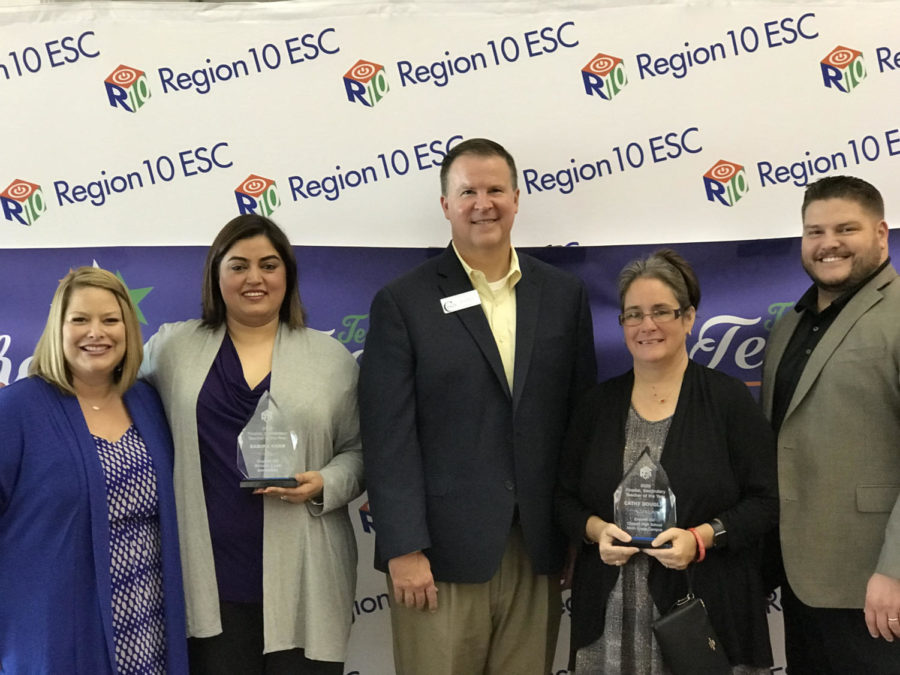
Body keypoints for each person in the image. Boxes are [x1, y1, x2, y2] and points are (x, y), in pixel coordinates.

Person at [358, 137, 597, 675]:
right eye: (468, 191)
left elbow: (579, 425)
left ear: (517, 197)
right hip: (438, 555)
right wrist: (403, 546)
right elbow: (387, 433)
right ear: (445, 205)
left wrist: (576, 532)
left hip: (538, 549)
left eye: (495, 190)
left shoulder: (563, 296)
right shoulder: (403, 302)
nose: (482, 203)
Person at [139, 214, 363, 674]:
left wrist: (324, 481)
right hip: (210, 583)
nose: (254, 278)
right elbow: (105, 391)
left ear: (288, 275)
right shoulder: (173, 348)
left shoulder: (331, 359)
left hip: (306, 579)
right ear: (215, 275)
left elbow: (362, 452)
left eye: (269, 265)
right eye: (238, 265)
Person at [556, 249, 777, 674]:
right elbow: (563, 498)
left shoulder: (729, 400)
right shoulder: (596, 406)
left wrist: (702, 538)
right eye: (633, 314)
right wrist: (595, 530)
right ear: (621, 324)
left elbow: (766, 502)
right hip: (609, 619)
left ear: (689, 318)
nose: (647, 325)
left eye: (661, 311)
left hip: (703, 614)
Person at [0, 267, 188, 674]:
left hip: (146, 618)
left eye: (110, 319)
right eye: (80, 319)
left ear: (128, 328)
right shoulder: (17, 409)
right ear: (58, 328)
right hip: (54, 628)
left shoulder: (148, 403)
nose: (96, 332)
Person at [761, 175, 900, 673]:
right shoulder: (790, 325)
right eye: (815, 232)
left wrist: (896, 571)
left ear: (881, 234)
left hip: (876, 586)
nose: (829, 244)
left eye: (846, 229)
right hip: (801, 580)